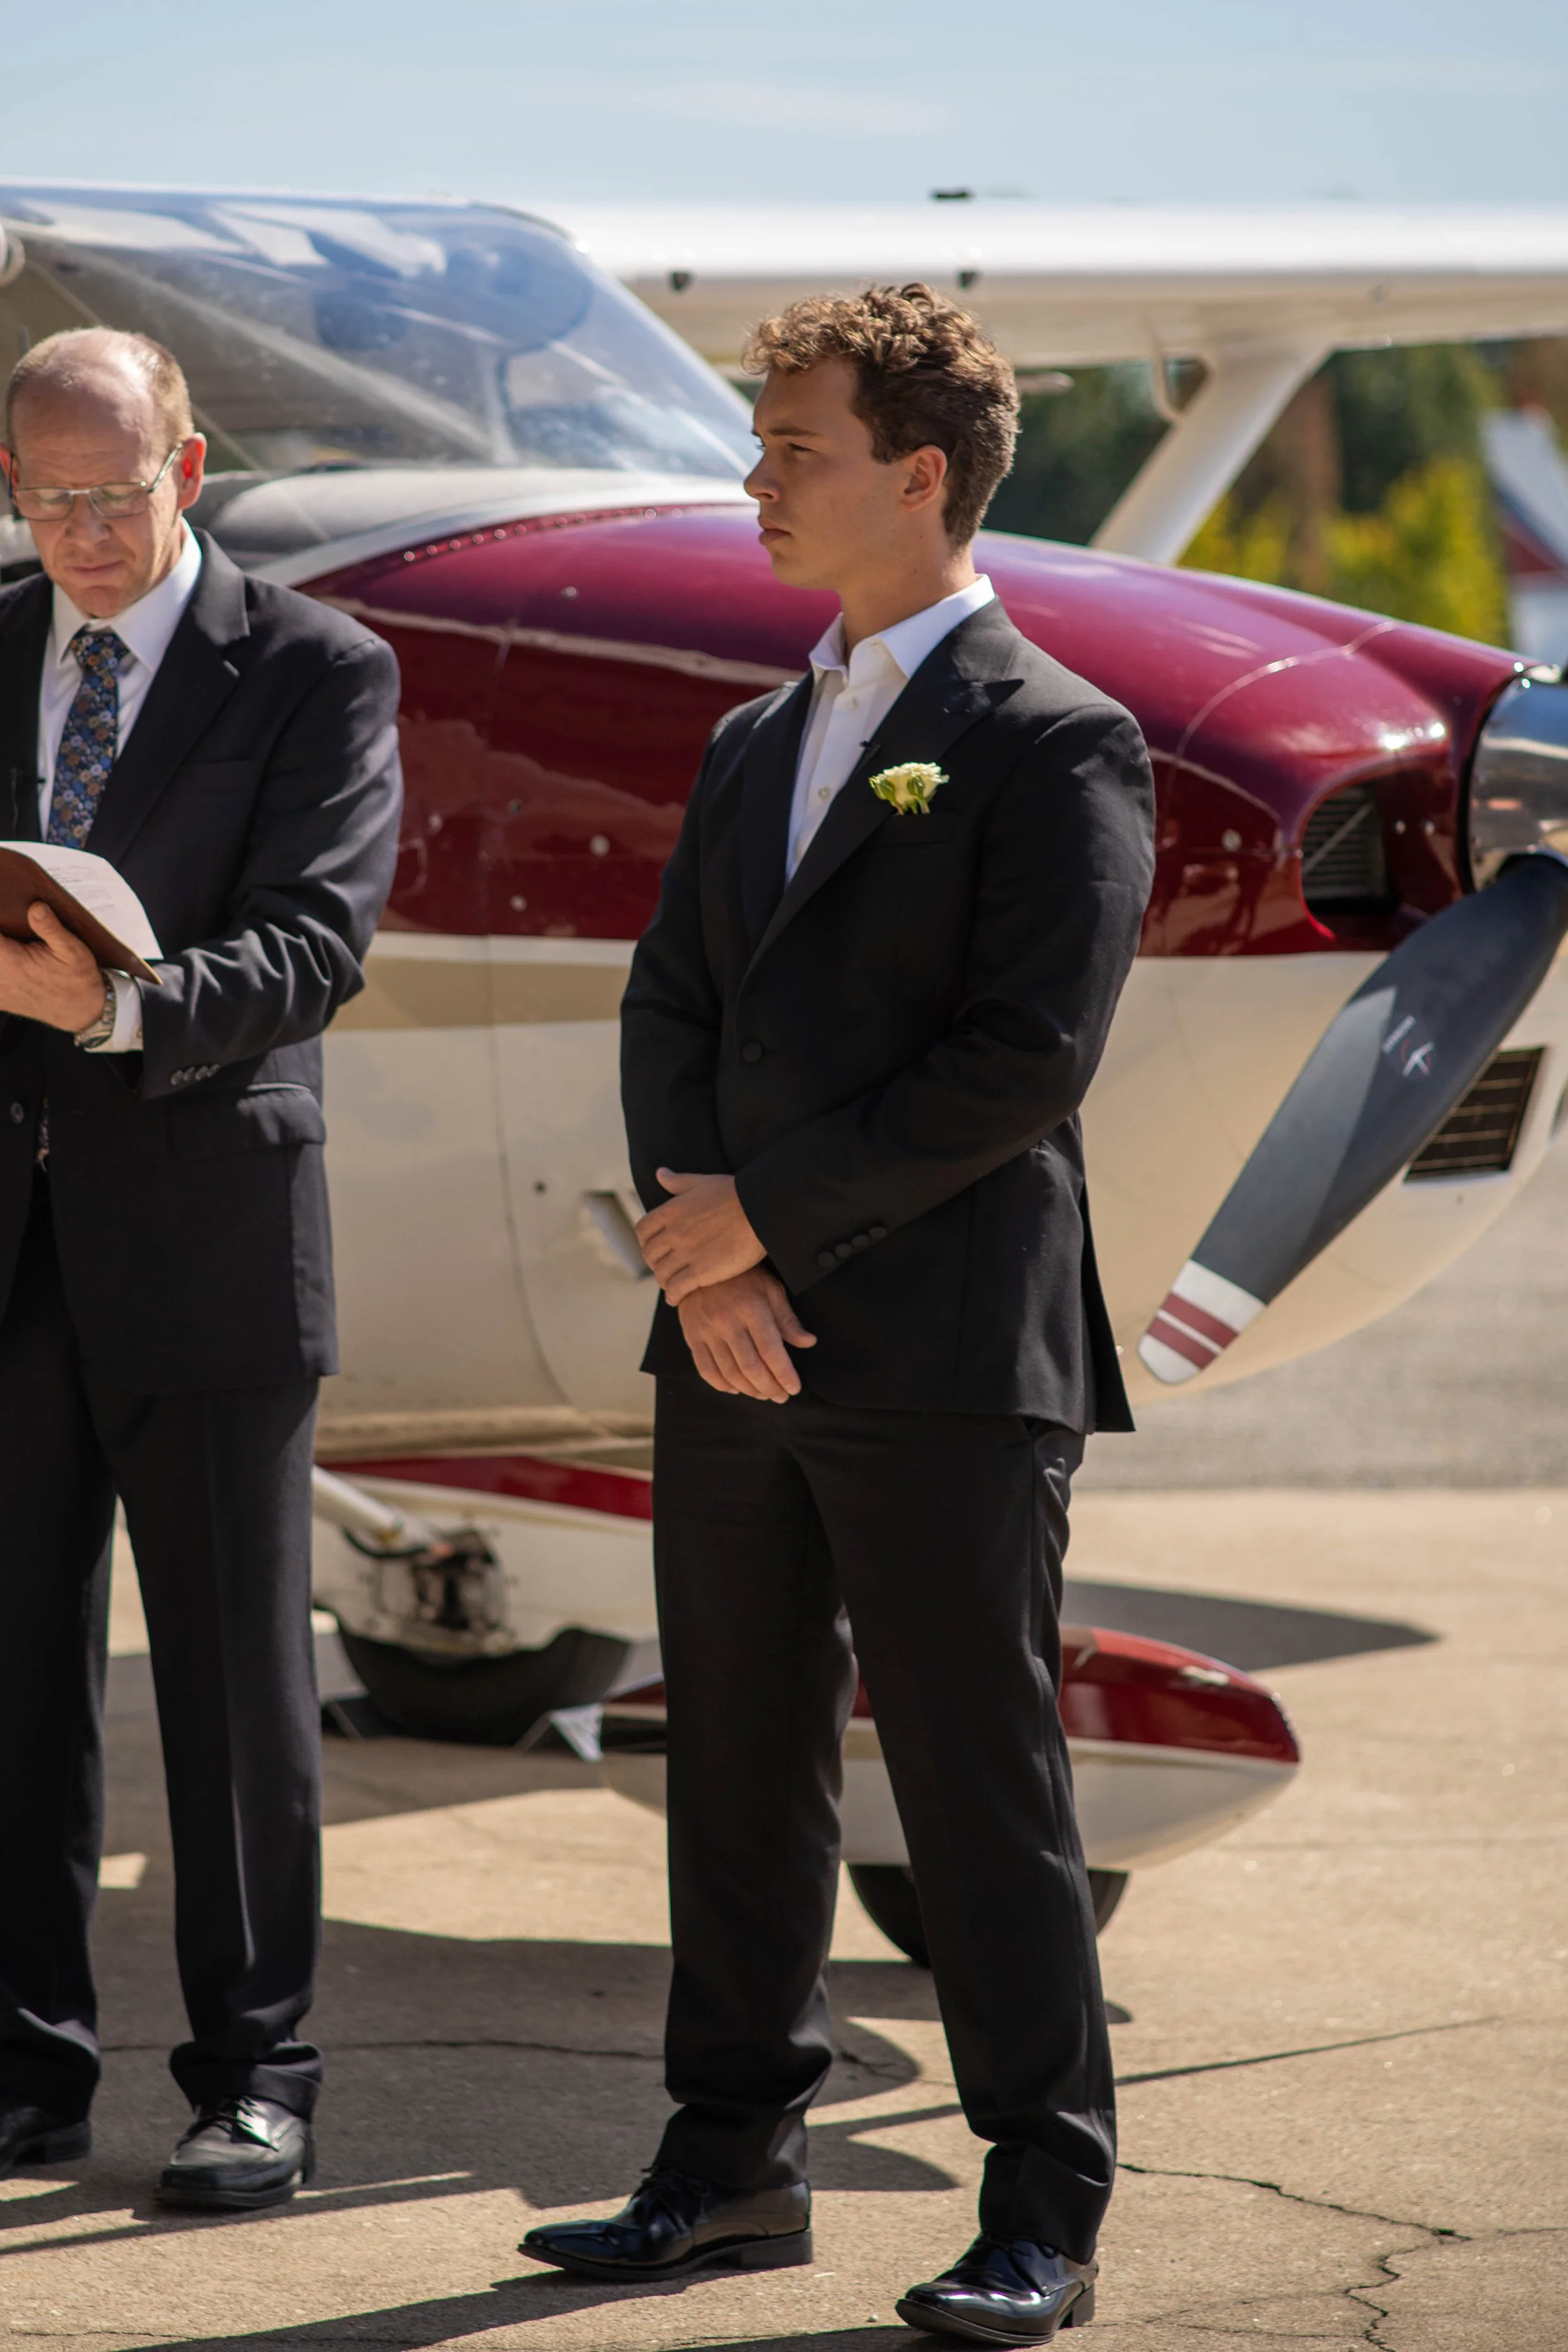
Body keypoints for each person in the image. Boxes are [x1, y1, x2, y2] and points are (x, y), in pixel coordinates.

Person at [521, 285, 1155, 2341]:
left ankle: (1039, 2201)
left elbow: (1023, 1059)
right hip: (734, 1343)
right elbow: (668, 1006)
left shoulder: (1055, 737)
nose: (751, 478)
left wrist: (759, 1233)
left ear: (917, 474)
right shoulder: (750, 736)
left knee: (977, 1786)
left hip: (949, 1350)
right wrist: (702, 1258)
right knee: (737, 1768)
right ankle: (725, 2166)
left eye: (790, 446)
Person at [0, 329, 401, 2208]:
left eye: (114, 490)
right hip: (12, 1243)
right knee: (14, 1676)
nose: (80, 531)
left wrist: (119, 1005)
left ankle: (259, 2079)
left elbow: (319, 941)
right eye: (43, 492)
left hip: (213, 1232)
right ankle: (26, 2065)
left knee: (238, 1688)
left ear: (192, 459)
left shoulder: (317, 668)